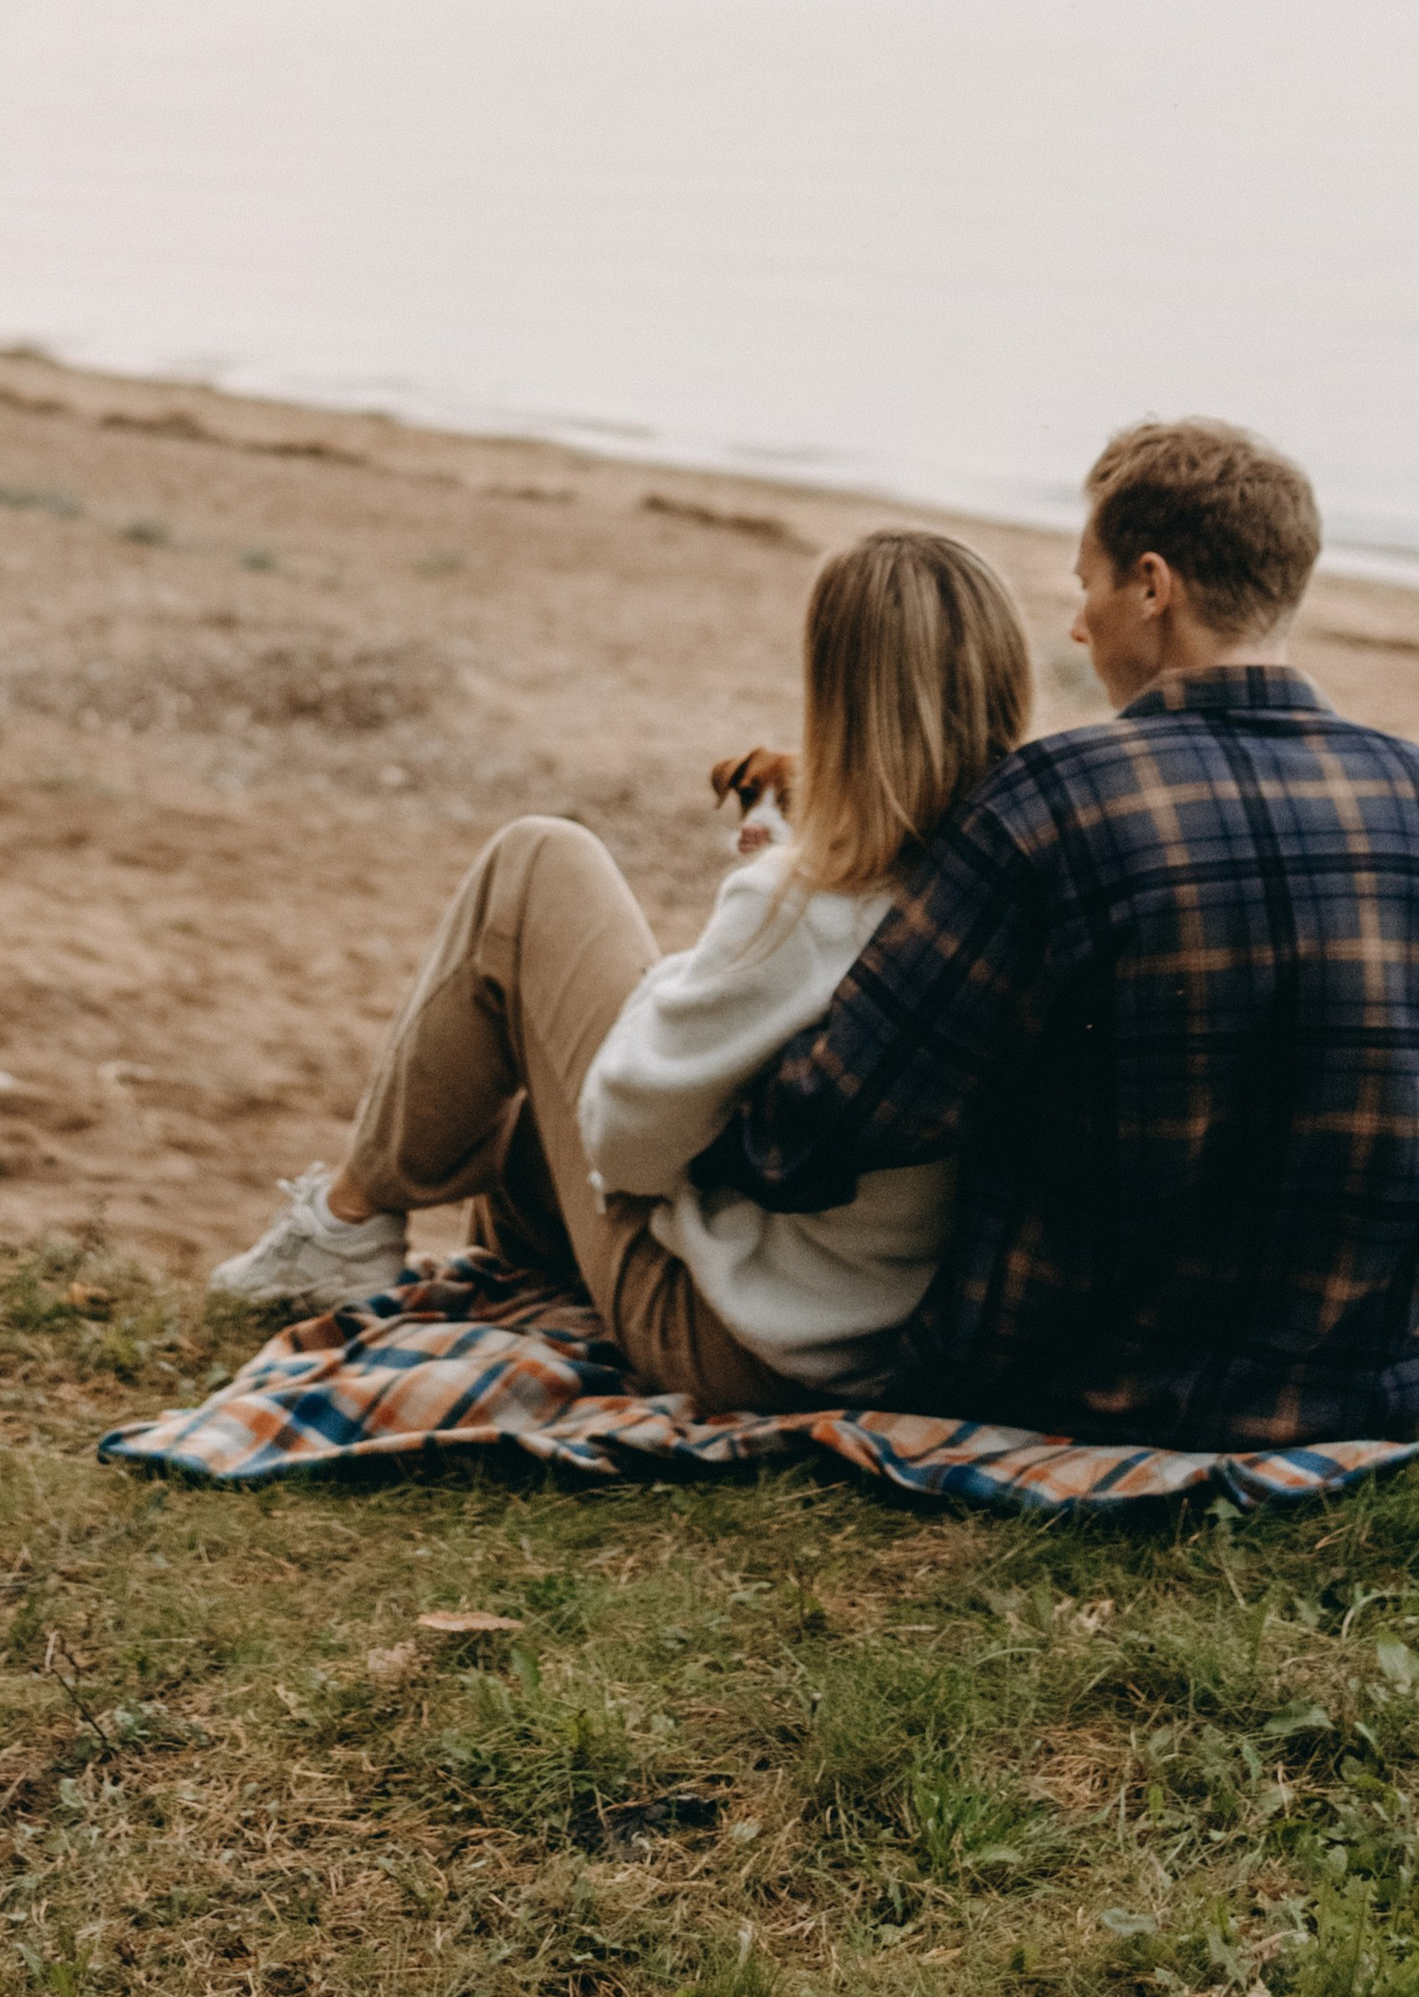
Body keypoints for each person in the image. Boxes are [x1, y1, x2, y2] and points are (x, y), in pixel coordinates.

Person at [696, 416, 1419, 1462]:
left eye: (1085, 584)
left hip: (1090, 1383)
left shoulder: (1050, 801)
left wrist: (704, 1127)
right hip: (1377, 1370)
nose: (1078, 626)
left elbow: (822, 1127)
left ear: (1152, 586)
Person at [208, 526, 1033, 1407]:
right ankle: (394, 1225)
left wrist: (659, 993)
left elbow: (624, 1144)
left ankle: (345, 1219)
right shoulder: (1009, 883)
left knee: (537, 860)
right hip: (886, 1331)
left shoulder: (804, 900)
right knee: (549, 1095)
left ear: (834, 693)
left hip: (744, 1341)